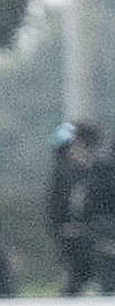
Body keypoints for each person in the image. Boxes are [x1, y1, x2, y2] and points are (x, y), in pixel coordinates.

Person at [47, 121, 109, 294]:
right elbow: (55, 216)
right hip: (76, 249)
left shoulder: (103, 176)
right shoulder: (62, 178)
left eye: (72, 148)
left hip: (101, 244)